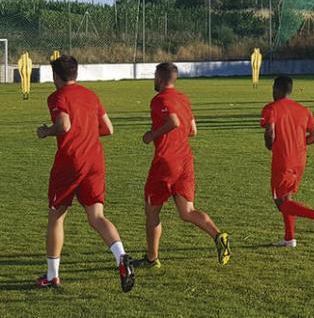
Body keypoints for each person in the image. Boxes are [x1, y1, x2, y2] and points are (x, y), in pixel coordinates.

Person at [34, 55, 135, 291]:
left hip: (71, 162)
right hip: (95, 161)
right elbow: (108, 129)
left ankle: (52, 275)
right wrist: (87, 131)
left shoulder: (57, 96)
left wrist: (46, 132)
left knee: (56, 216)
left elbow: (64, 125)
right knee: (97, 217)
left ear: (56, 76)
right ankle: (121, 257)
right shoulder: (91, 95)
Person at [133, 63, 230, 270]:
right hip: (185, 160)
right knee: (187, 212)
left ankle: (151, 259)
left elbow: (174, 122)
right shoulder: (183, 98)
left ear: (159, 77)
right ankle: (218, 235)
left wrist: (152, 135)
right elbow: (193, 130)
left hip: (166, 163)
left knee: (152, 212)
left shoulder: (159, 100)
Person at [261, 76, 314, 248]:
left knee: (281, 203)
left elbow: (270, 132)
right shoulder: (303, 110)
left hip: (283, 160)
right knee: (287, 198)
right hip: (299, 161)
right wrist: (299, 144)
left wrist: (270, 144)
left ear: (276, 89)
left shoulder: (271, 109)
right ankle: (289, 238)